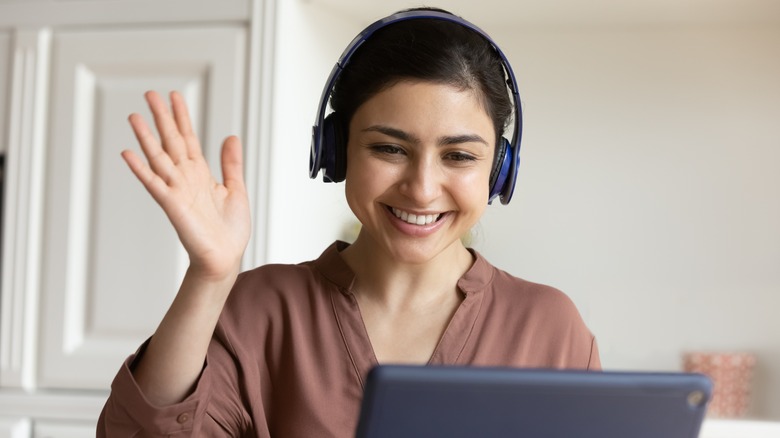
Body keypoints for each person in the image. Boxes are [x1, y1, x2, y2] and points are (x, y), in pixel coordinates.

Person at [97, 7, 600, 437]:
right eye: (389, 148)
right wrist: (209, 276)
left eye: (459, 156)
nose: (422, 188)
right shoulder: (259, 310)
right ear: (336, 153)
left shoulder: (551, 329)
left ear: (499, 170)